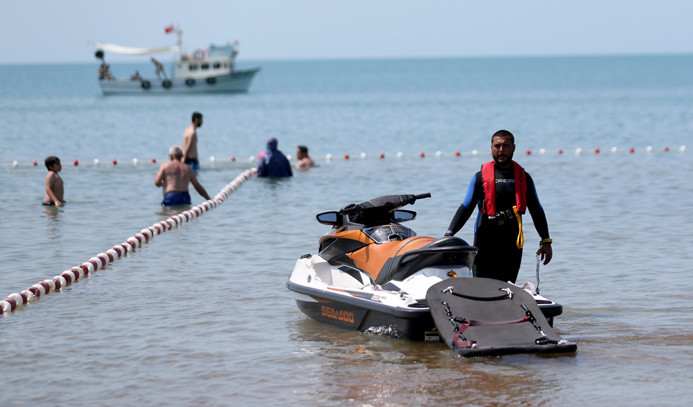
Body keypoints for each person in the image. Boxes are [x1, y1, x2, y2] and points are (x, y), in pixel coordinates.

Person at [444, 130, 552, 283]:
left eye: (505, 146)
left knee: (507, 287)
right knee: (483, 286)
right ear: (491, 148)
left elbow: (537, 210)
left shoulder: (524, 178)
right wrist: (449, 235)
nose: (501, 150)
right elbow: (466, 207)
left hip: (512, 244)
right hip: (485, 242)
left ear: (513, 148)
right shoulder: (480, 177)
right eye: (497, 146)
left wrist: (546, 241)